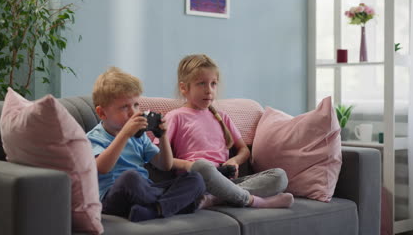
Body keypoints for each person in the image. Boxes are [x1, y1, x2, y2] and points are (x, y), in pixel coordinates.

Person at [164, 54, 294, 208]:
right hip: (197, 179)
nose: (209, 90)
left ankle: (216, 198)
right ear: (184, 88)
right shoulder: (175, 117)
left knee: (279, 176)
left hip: (226, 181)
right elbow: (158, 158)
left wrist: (235, 160)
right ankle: (254, 201)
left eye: (213, 84)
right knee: (202, 166)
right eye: (201, 84)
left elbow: (244, 150)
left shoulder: (222, 117)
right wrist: (188, 165)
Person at [87, 67, 206, 222]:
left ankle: (154, 210)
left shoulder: (139, 136)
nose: (133, 112)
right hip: (112, 197)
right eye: (124, 107)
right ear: (102, 113)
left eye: (136, 105)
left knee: (196, 179)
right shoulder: (93, 138)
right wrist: (125, 135)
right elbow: (102, 168)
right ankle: (180, 205)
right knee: (130, 177)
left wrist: (162, 137)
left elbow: (166, 165)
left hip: (145, 192)